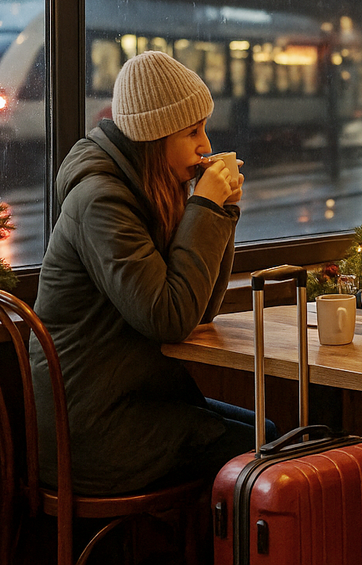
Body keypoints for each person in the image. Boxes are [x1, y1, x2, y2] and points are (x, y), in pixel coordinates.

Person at [31, 50, 270, 496]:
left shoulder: (148, 187)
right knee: (265, 450)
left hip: (128, 400)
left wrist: (222, 211)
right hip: (90, 431)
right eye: (192, 132)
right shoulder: (101, 200)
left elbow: (200, 310)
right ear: (154, 138)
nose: (205, 145)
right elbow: (170, 318)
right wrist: (204, 206)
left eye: (204, 129)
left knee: (269, 433)